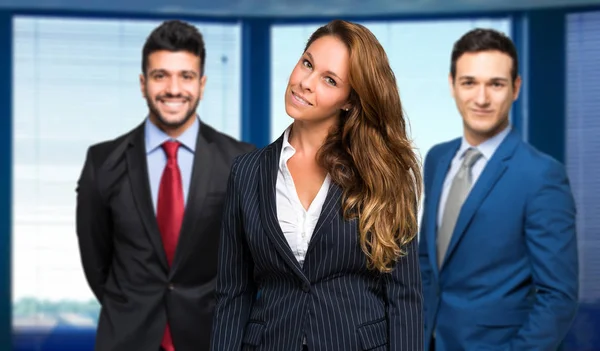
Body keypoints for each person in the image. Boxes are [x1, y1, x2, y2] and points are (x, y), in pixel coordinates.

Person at [210, 19, 423, 351]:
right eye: (307, 63)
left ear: (349, 100)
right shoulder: (246, 172)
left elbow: (404, 297)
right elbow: (233, 294)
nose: (305, 83)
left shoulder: (384, 173)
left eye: (329, 79)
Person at [75, 20, 255, 351]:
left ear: (202, 84)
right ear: (143, 83)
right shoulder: (103, 162)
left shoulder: (241, 161)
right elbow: (95, 260)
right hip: (127, 337)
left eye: (186, 76)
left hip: (212, 337)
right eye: (161, 76)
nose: (174, 89)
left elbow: (250, 263)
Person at [418, 28, 578, 351]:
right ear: (452, 85)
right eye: (469, 82)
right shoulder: (437, 158)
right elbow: (427, 262)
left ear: (516, 88)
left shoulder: (542, 175)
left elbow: (558, 297)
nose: (481, 98)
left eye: (496, 84)